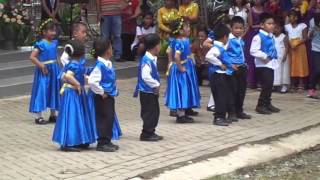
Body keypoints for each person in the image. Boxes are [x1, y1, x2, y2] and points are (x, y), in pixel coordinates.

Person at [52, 40, 97, 152]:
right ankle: (68, 142)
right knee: (72, 115)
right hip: (72, 93)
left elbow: (61, 76)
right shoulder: (74, 64)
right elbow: (67, 76)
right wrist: (77, 84)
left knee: (78, 115)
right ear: (81, 53)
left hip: (74, 93)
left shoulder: (72, 63)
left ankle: (80, 140)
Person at [165, 18, 201, 123]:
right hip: (182, 68)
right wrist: (180, 67)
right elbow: (176, 56)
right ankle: (181, 115)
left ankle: (185, 110)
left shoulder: (182, 40)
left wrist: (170, 63)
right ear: (180, 31)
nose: (189, 28)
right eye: (187, 27)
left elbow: (169, 51)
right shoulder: (180, 42)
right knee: (182, 90)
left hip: (186, 65)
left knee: (187, 88)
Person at [88, 37, 120, 152]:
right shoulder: (99, 66)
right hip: (102, 97)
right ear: (108, 50)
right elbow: (92, 81)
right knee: (104, 118)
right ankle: (102, 143)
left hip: (109, 95)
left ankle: (108, 140)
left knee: (109, 117)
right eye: (111, 47)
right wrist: (101, 92)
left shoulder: (107, 64)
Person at [29, 19, 60, 125]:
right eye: (51, 31)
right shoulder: (41, 44)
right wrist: (41, 65)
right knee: (42, 91)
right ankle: (39, 116)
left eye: (54, 31)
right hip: (44, 70)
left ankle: (53, 114)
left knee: (54, 90)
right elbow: (32, 57)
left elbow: (56, 56)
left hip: (54, 69)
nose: (53, 33)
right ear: (44, 32)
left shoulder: (54, 43)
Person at [133, 33, 163, 141]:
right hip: (146, 91)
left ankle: (151, 131)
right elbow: (145, 76)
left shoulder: (152, 58)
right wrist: (156, 84)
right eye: (160, 44)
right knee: (149, 112)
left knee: (155, 111)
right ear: (156, 46)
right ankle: (146, 133)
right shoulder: (146, 60)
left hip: (151, 91)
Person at [250, 13, 280, 115]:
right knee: (266, 85)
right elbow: (253, 51)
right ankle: (260, 105)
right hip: (262, 65)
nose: (272, 25)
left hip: (270, 64)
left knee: (269, 85)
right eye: (269, 23)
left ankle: (267, 103)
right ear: (262, 25)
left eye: (273, 23)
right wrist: (264, 56)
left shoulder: (271, 36)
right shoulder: (258, 37)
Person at [205, 24, 234, 126]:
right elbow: (208, 56)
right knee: (220, 96)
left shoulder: (220, 46)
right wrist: (220, 64)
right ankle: (218, 117)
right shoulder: (216, 47)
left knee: (223, 96)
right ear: (225, 37)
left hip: (221, 74)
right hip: (218, 75)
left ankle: (221, 116)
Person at [227, 16, 252, 119]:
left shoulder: (240, 39)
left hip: (242, 67)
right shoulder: (228, 39)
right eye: (236, 28)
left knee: (241, 91)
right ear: (231, 28)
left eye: (241, 28)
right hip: (233, 68)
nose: (238, 30)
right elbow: (223, 53)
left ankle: (239, 111)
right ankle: (231, 113)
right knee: (232, 91)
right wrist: (229, 64)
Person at [285, 10, 309, 91]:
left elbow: (305, 38)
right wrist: (290, 44)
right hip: (291, 47)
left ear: (296, 18)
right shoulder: (287, 26)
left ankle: (301, 83)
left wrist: (297, 43)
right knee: (292, 65)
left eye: (291, 16)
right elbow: (287, 37)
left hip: (300, 47)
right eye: (289, 16)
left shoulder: (302, 25)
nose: (290, 18)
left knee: (300, 65)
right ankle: (292, 84)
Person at [273, 17, 290, 93]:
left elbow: (287, 47)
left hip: (282, 56)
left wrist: (285, 55)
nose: (275, 30)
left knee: (283, 71)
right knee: (275, 71)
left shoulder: (284, 36)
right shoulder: (272, 37)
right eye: (274, 28)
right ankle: (275, 85)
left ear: (281, 28)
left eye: (277, 28)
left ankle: (284, 86)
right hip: (275, 57)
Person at [307, 12, 320, 98]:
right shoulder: (313, 20)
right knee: (317, 70)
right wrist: (313, 30)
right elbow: (309, 36)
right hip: (316, 48)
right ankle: (312, 88)